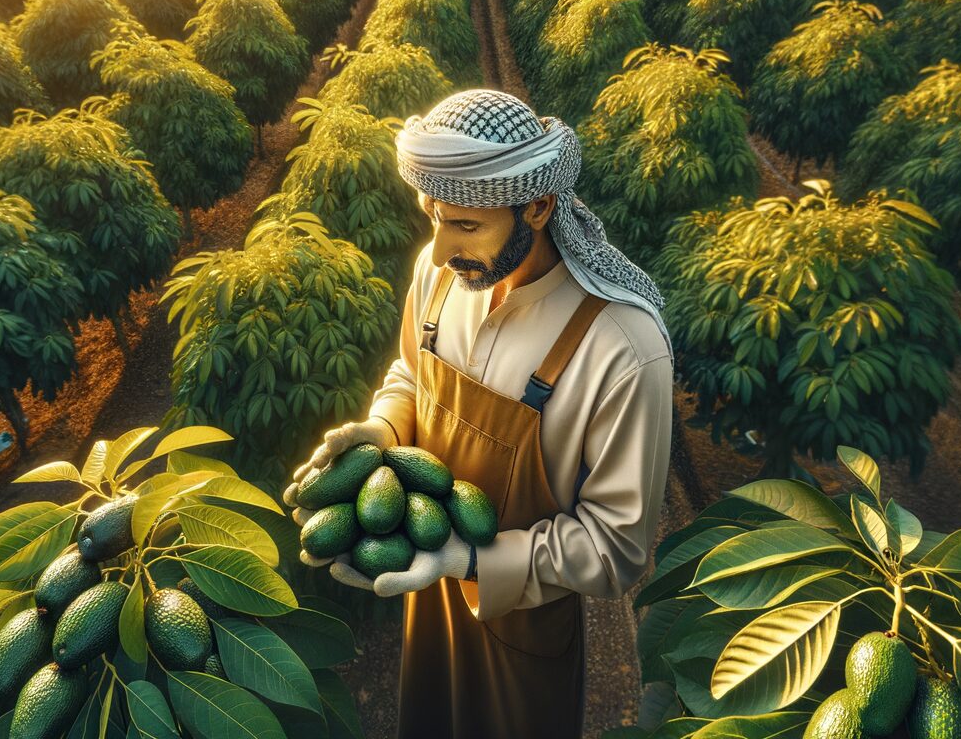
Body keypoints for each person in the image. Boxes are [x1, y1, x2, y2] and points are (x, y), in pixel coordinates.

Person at [284, 88, 674, 738]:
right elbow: (412, 372)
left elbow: (615, 547)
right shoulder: (439, 277)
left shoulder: (622, 349)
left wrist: (468, 561)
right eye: (434, 216)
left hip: (525, 641)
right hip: (427, 601)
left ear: (539, 207)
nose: (439, 248)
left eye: (465, 225)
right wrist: (380, 429)